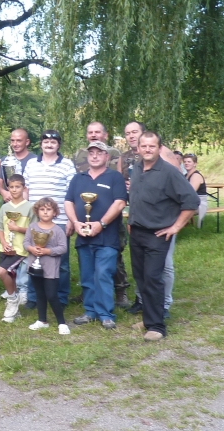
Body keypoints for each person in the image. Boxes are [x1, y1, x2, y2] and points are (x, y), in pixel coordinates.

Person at [128, 131, 199, 341]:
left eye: (152, 146)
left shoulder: (169, 172)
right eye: (144, 146)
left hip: (157, 234)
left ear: (159, 148)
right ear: (138, 148)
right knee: (141, 279)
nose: (147, 150)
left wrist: (175, 227)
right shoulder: (137, 169)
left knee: (153, 279)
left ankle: (157, 327)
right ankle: (149, 319)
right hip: (137, 232)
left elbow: (191, 201)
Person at [64, 141, 126, 330]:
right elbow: (68, 202)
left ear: (107, 156)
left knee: (103, 274)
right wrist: (75, 222)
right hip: (83, 235)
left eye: (99, 153)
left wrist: (101, 224)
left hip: (107, 237)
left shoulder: (114, 177)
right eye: (91, 152)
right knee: (87, 275)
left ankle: (106, 314)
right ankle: (90, 311)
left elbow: (120, 203)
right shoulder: (78, 178)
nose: (95, 156)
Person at [122, 121, 181, 317]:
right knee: (142, 272)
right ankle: (145, 304)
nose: (131, 136)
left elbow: (186, 197)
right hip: (139, 227)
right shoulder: (134, 164)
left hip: (160, 227)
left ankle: (163, 307)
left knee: (162, 268)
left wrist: (175, 226)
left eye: (135, 132)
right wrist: (132, 219)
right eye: (128, 133)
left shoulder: (166, 162)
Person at [73, 122, 130, 309]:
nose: (94, 135)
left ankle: (120, 290)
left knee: (115, 253)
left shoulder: (114, 154)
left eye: (98, 132)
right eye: (90, 132)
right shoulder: (79, 154)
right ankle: (88, 294)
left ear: (105, 135)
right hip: (86, 214)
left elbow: (121, 179)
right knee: (87, 256)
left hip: (109, 211)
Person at [22, 130, 75, 308]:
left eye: (53, 142)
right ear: (41, 144)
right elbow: (26, 190)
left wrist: (70, 219)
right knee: (34, 257)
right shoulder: (30, 164)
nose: (49, 144)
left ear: (59, 145)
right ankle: (33, 297)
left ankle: (60, 297)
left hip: (59, 220)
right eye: (46, 141)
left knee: (61, 261)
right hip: (35, 221)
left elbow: (71, 194)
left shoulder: (67, 165)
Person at [24, 198, 70, 335]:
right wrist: (32, 249)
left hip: (51, 269)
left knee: (51, 295)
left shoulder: (57, 230)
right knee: (39, 294)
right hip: (35, 267)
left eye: (48, 209)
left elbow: (63, 248)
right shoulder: (32, 227)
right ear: (37, 211)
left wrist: (48, 251)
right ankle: (42, 320)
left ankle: (62, 323)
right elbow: (26, 243)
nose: (45, 212)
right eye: (42, 209)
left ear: (55, 212)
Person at [0, 174, 34, 323]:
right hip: (5, 248)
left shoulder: (30, 207)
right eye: (11, 187)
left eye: (18, 187)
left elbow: (34, 230)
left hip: (20, 249)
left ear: (24, 188)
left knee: (1, 271)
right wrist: (3, 242)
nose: (14, 190)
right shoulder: (5, 207)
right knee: (10, 276)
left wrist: (17, 228)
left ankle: (12, 300)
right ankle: (15, 311)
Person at [0, 128, 37, 202]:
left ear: (27, 142)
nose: (15, 144)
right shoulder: (5, 160)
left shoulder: (36, 160)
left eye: (19, 141)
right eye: (12, 140)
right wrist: (3, 192)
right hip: (9, 204)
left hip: (30, 205)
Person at [183, 154, 207, 228]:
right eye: (185, 162)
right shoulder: (185, 175)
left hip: (198, 204)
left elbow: (190, 193)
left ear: (195, 164)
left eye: (189, 162)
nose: (186, 163)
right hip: (188, 202)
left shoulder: (196, 176)